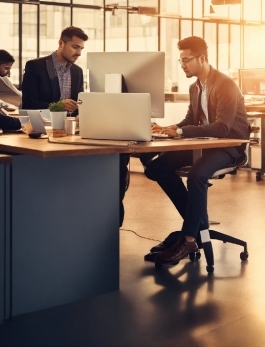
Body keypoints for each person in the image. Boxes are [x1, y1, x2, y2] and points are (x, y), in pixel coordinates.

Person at [145, 36, 250, 265]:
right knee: (156, 167)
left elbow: (223, 127)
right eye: (181, 61)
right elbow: (191, 119)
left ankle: (190, 237)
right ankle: (196, 226)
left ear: (201, 58)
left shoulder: (225, 85)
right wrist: (170, 128)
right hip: (205, 143)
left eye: (187, 60)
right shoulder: (195, 87)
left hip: (230, 145)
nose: (183, 65)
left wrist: (181, 133)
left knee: (197, 175)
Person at [19, 27, 132, 224]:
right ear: (61, 43)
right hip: (44, 131)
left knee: (118, 159)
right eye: (74, 47)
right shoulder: (36, 66)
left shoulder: (78, 72)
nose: (78, 53)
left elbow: (79, 105)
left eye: (81, 48)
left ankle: (112, 216)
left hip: (72, 133)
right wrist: (57, 106)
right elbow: (28, 103)